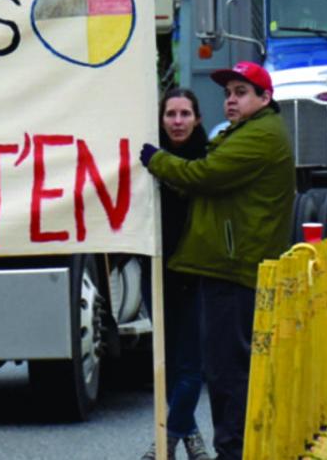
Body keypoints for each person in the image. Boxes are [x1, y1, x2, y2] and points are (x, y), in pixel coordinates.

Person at [140, 61, 294, 460]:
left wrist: (155, 161)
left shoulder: (259, 136)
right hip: (225, 263)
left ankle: (232, 450)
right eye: (228, 93)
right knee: (218, 367)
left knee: (227, 371)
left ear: (265, 98)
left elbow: (206, 175)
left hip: (235, 264)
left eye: (241, 92)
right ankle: (216, 443)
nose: (231, 100)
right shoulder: (242, 132)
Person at [141, 88, 212, 460]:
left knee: (191, 366)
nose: (178, 121)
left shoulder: (209, 158)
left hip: (194, 272)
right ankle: (192, 438)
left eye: (185, 114)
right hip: (156, 271)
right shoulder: (147, 157)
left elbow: (197, 183)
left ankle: (164, 444)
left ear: (197, 118)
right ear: (161, 118)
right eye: (171, 114)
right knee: (166, 366)